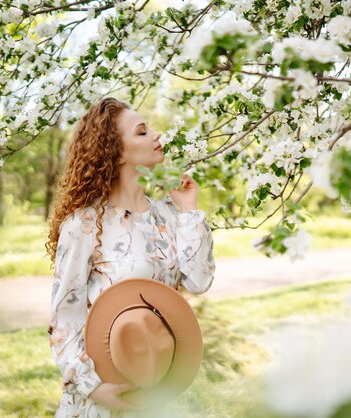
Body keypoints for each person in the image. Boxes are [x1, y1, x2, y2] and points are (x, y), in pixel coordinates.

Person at [45, 97, 216, 418]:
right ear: (117, 151)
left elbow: (199, 281)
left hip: (154, 387)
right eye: (141, 132)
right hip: (100, 394)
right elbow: (63, 318)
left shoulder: (167, 213)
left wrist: (189, 210)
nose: (156, 135)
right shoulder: (85, 224)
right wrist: (93, 387)